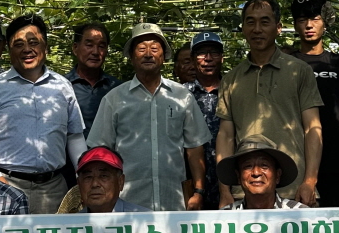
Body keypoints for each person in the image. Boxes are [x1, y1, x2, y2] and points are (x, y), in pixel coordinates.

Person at [0, 14, 86, 214]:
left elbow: (74, 136)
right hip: (4, 185)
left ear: (45, 47)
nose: (27, 49)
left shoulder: (63, 86)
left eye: (33, 42)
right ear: (9, 50)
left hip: (55, 189)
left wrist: (83, 175)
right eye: (18, 44)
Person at [87, 23, 210, 211]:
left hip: (173, 200)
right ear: (131, 57)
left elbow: (194, 148)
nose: (148, 54)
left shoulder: (181, 96)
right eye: (141, 48)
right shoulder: (114, 99)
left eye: (154, 48)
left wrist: (198, 192)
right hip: (126, 202)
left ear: (164, 56)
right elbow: (101, 152)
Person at [215, 0, 323, 207]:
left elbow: (313, 128)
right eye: (250, 21)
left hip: (295, 189)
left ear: (278, 28)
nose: (257, 29)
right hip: (245, 192)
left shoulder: (299, 71)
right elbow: (226, 135)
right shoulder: (231, 79)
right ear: (243, 28)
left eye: (265, 22)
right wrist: (224, 190)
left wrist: (309, 181)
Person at [290, 0, 339, 207]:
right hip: (294, 162)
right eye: (302, 20)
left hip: (334, 163)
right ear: (295, 25)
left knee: (333, 228)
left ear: (326, 22)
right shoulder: (288, 64)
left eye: (315, 19)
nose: (309, 25)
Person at [185, 32, 224, 210]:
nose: (208, 58)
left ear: (222, 58)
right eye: (201, 53)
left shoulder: (234, 90)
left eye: (214, 53)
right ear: (193, 60)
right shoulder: (181, 94)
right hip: (191, 188)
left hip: (229, 185)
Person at [218, 135, 308, 210]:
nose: (256, 173)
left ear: (277, 175)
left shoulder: (300, 214)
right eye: (248, 166)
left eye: (264, 165)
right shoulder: (224, 218)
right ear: (238, 176)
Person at [67, 22, 120, 138]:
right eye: (89, 45)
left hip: (108, 155)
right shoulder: (63, 87)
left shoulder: (117, 88)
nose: (95, 52)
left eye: (101, 46)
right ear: (75, 48)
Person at [75, 146, 148, 213]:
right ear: (79, 184)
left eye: (103, 176)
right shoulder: (70, 224)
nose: (95, 184)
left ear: (120, 182)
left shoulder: (146, 220)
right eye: (88, 177)